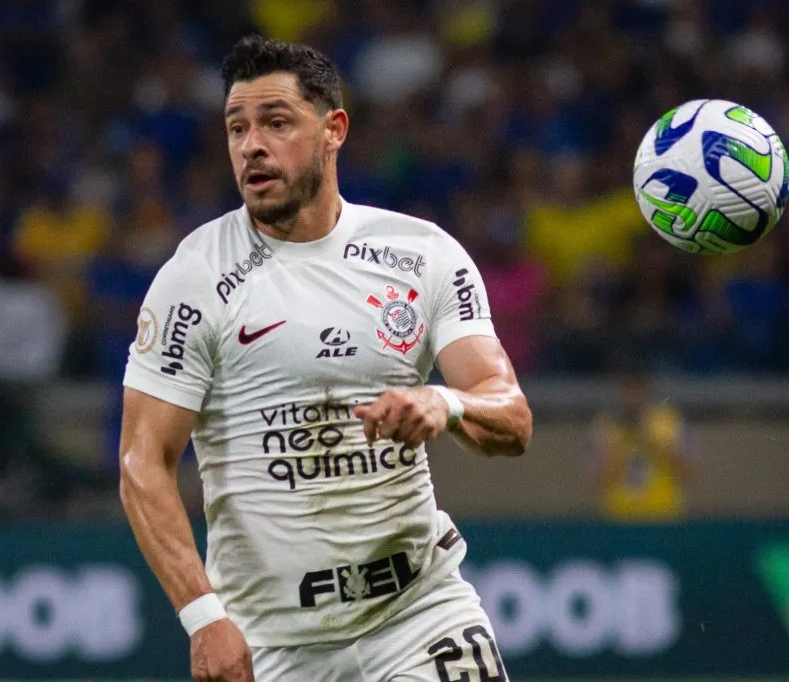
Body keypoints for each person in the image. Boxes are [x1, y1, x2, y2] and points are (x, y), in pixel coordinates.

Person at [118, 35, 532, 682]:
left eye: (276, 123)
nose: (251, 144)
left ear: (333, 128)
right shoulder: (195, 279)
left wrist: (442, 403)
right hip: (272, 643)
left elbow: (510, 417)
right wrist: (203, 618)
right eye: (236, 128)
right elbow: (143, 462)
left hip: (419, 614)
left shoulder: (422, 256)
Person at [590, 368, 692, 522]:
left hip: (663, 514)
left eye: (637, 392)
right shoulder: (607, 426)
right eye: (627, 391)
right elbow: (595, 481)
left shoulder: (669, 422)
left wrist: (658, 442)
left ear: (647, 392)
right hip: (620, 516)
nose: (632, 399)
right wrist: (619, 447)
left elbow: (688, 474)